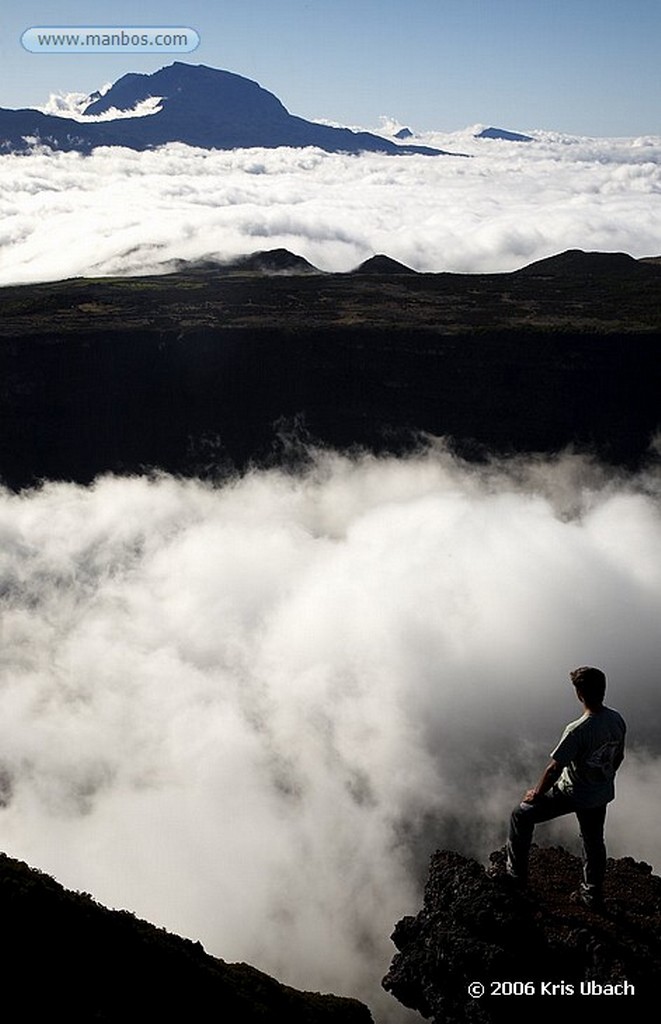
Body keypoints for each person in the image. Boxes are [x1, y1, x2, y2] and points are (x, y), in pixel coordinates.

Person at [506, 666, 626, 909]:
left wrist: (536, 793)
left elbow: (554, 769)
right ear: (603, 690)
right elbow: (619, 757)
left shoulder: (578, 730)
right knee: (593, 841)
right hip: (600, 794)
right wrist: (603, 778)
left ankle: (515, 875)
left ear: (579, 694)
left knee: (520, 815)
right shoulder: (616, 719)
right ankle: (592, 892)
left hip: (572, 793)